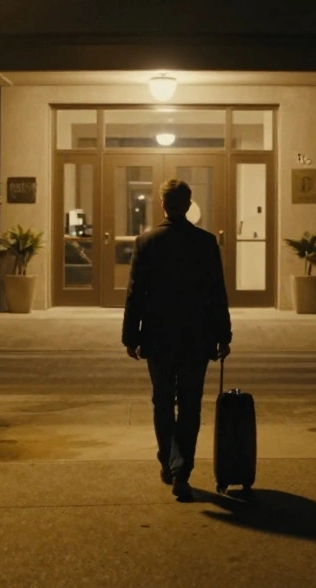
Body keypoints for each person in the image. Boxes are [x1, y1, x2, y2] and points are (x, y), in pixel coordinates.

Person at [123, 178, 232, 502]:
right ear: (188, 205)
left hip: (158, 336)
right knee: (189, 404)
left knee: (162, 401)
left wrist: (131, 336)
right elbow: (217, 293)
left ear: (163, 204)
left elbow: (135, 293)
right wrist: (222, 335)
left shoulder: (147, 241)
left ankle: (168, 463)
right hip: (195, 337)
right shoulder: (205, 242)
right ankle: (182, 468)